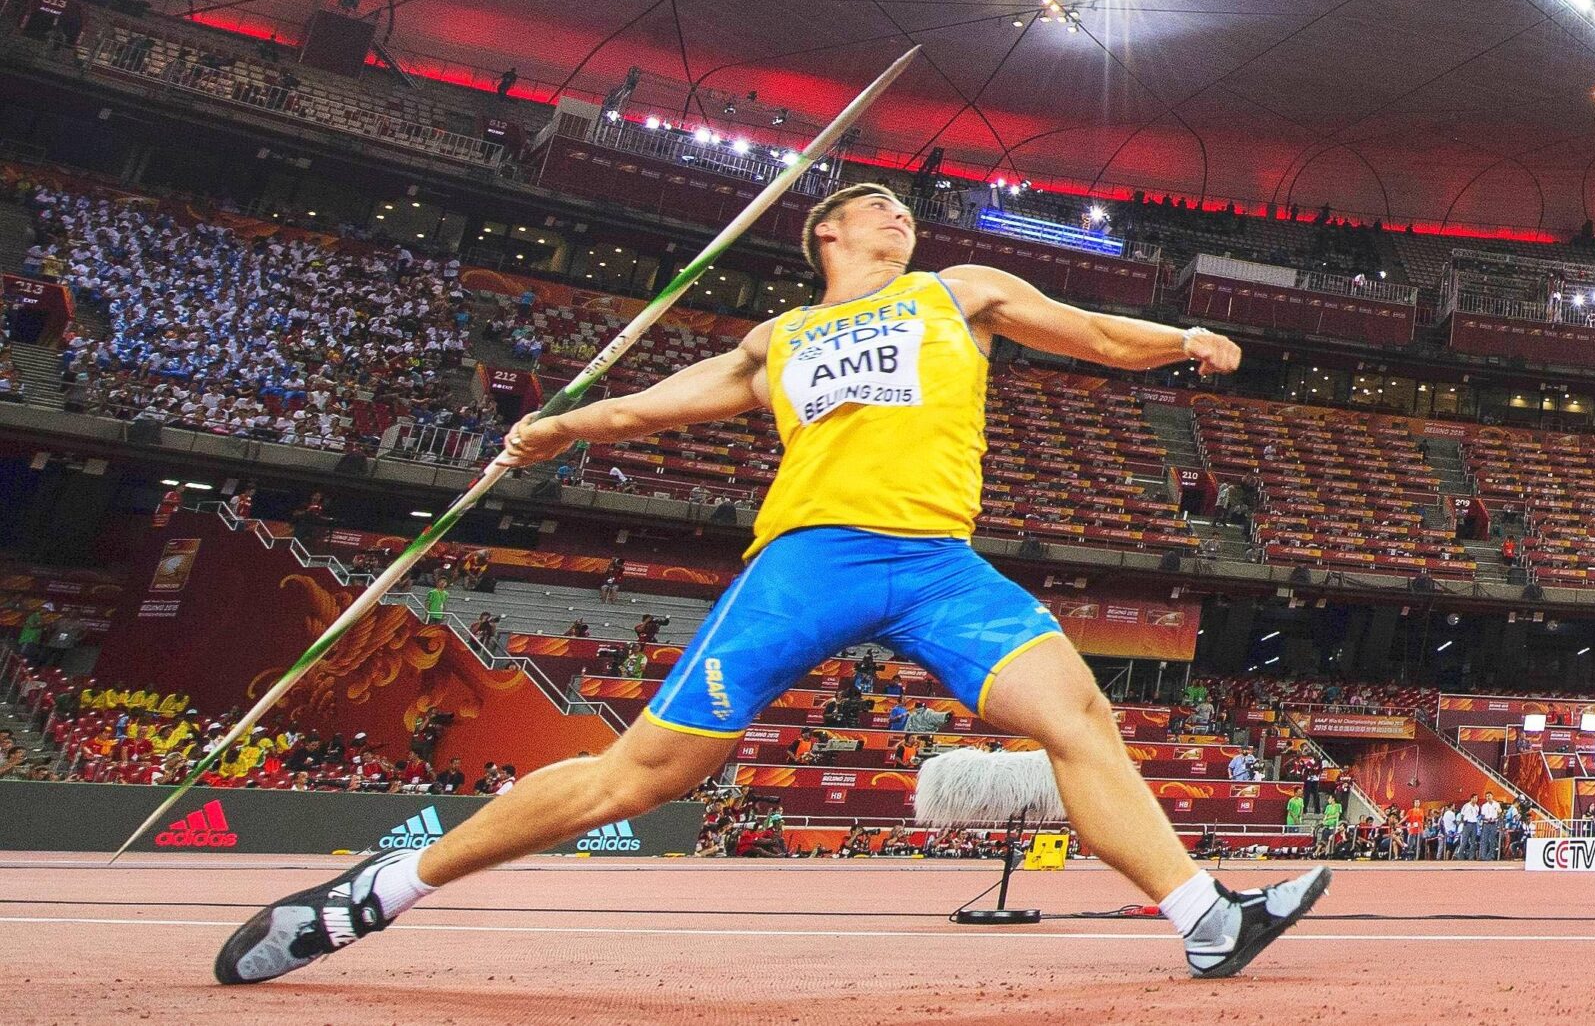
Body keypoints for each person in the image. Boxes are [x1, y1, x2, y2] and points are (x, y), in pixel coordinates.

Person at [216, 182, 1325, 984]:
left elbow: (1088, 333)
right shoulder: (776, 337)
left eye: (905, 210)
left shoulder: (959, 291)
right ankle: (377, 890)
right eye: (879, 205)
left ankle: (1202, 915)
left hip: (939, 563)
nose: (902, 218)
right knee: (637, 777)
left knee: (1080, 716)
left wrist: (1178, 335)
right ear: (827, 229)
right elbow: (650, 404)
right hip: (809, 558)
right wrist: (558, 426)